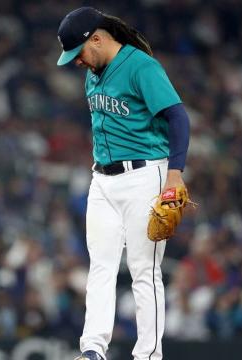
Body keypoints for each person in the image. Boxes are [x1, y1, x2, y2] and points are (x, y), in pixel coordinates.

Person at [56, 7, 191, 360]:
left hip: (146, 175)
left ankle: (148, 354)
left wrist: (175, 173)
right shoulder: (94, 71)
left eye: (79, 52)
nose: (77, 62)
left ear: (97, 39)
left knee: (144, 271)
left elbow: (177, 117)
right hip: (102, 179)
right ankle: (92, 349)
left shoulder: (141, 67)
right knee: (100, 266)